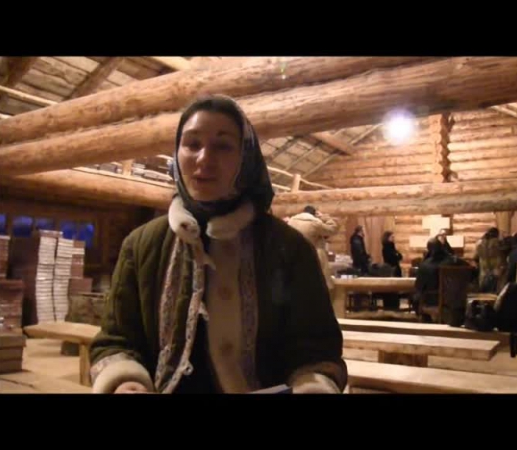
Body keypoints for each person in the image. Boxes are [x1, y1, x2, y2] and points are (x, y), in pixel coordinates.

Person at [89, 95, 346, 394]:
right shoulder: (141, 245)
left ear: (246, 158)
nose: (204, 159)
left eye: (222, 146)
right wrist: (125, 381)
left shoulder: (290, 248)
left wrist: (312, 386)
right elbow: (116, 340)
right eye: (192, 144)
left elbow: (317, 350)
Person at [286, 205, 340, 291]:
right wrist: (324, 217)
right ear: (314, 213)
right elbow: (332, 229)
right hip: (313, 256)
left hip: (295, 257)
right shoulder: (315, 222)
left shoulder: (292, 221)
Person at [474, 227, 503, 293]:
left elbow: (475, 256)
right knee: (494, 287)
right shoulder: (498, 242)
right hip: (496, 266)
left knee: (484, 286)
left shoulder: (480, 242)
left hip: (483, 267)